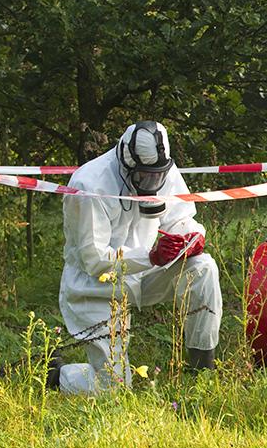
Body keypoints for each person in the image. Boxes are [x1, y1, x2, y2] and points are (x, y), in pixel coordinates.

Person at [51, 120, 222, 394]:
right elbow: (93, 258)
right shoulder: (89, 183)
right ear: (127, 162)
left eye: (158, 176)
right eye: (145, 177)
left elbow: (180, 216)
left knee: (203, 268)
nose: (153, 183)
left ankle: (202, 372)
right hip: (96, 287)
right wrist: (151, 256)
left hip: (144, 273)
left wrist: (191, 237)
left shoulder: (162, 171)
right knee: (114, 389)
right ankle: (57, 376)